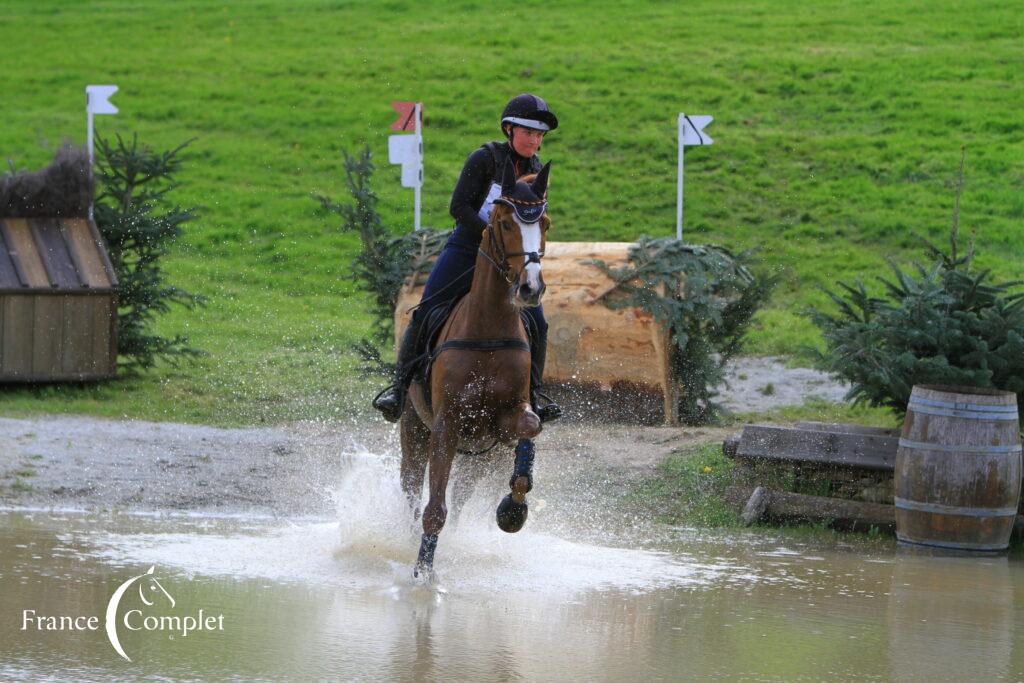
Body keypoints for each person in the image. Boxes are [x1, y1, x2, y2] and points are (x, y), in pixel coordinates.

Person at [373, 93, 562, 424]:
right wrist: (491, 238)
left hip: (510, 259)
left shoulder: (535, 170)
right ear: (509, 129)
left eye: (539, 135)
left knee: (539, 322)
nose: (534, 140)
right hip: (467, 248)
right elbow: (458, 208)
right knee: (427, 309)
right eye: (528, 132)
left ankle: (533, 396)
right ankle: (399, 390)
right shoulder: (484, 158)